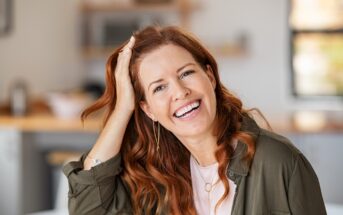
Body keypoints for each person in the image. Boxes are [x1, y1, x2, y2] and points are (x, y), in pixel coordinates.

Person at [63, 26, 326, 215]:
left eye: (186, 73)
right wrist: (122, 108)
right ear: (147, 109)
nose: (179, 92)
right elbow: (87, 209)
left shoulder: (279, 162)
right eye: (159, 88)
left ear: (210, 77)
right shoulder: (158, 179)